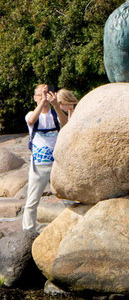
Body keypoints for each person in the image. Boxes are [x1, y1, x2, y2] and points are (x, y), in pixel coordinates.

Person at [24, 84, 68, 231]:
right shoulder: (31, 114)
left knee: (68, 198)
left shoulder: (55, 114)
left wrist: (55, 105)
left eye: (46, 93)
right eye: (40, 94)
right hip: (39, 165)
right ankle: (28, 231)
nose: (44, 96)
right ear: (35, 98)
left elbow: (66, 123)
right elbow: (31, 121)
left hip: (57, 164)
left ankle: (74, 226)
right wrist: (42, 102)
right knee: (32, 201)